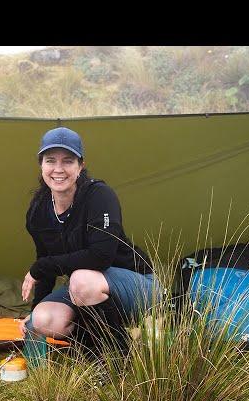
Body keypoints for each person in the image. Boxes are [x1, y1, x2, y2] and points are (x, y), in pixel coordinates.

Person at [19, 126, 158, 352]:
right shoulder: (39, 210)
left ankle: (117, 358)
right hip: (86, 289)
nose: (58, 169)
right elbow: (46, 258)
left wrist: (39, 267)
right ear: (41, 165)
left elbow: (100, 257)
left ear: (80, 166)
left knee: (81, 280)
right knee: (44, 318)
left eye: (68, 161)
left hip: (140, 288)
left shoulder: (99, 196)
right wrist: (36, 307)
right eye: (50, 160)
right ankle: (93, 350)